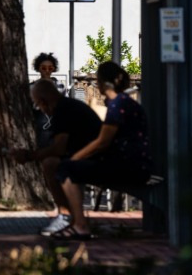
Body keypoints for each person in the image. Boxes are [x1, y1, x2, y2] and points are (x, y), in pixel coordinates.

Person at [52, 61, 153, 241]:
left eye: (97, 80)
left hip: (130, 167)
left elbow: (102, 142)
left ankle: (79, 226)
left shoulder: (118, 104)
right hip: (134, 163)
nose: (96, 85)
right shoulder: (124, 102)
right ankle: (77, 222)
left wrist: (76, 158)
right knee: (73, 167)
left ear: (103, 82)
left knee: (67, 168)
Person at [9, 79, 102, 236]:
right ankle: (71, 217)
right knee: (56, 163)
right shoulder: (67, 106)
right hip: (96, 158)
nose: (40, 109)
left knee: (52, 164)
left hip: (98, 162)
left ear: (43, 101)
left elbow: (59, 148)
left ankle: (66, 216)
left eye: (38, 105)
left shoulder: (62, 111)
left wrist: (28, 156)